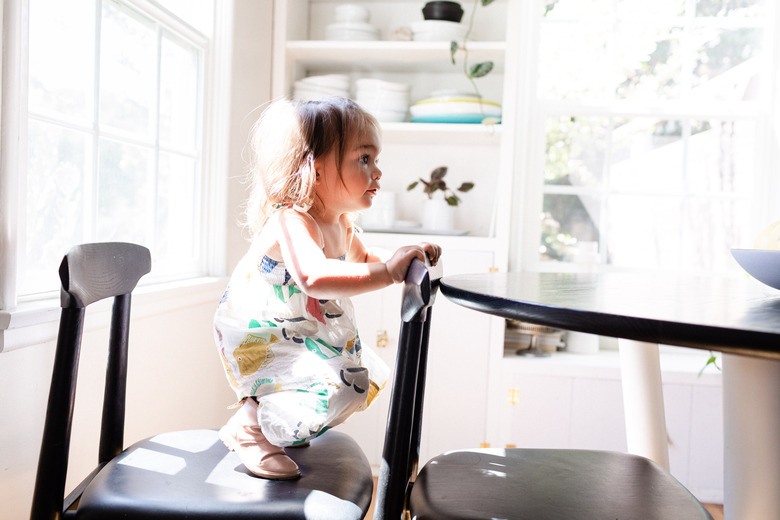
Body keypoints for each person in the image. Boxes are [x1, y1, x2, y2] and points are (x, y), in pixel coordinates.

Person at [213, 97, 441, 480]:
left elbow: (364, 258)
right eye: (364, 159)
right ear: (315, 170)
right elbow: (313, 277)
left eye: (376, 159)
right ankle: (250, 427)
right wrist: (388, 272)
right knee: (336, 384)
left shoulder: (341, 222)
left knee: (353, 380)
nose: (377, 171)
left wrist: (401, 258)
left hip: (299, 323)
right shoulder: (292, 219)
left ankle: (278, 425)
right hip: (263, 329)